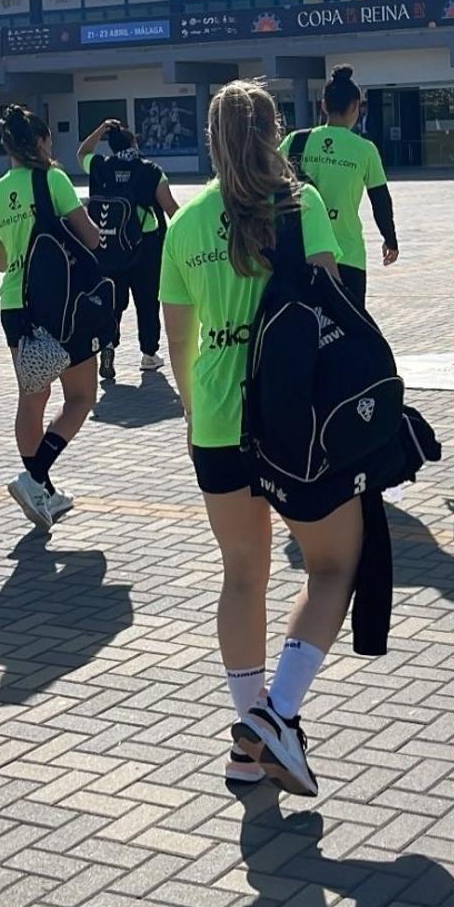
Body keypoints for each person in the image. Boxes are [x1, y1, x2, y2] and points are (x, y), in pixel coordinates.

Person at [161, 79, 360, 797]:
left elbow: (178, 339)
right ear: (277, 132)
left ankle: (247, 747)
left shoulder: (186, 225)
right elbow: (331, 308)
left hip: (217, 419)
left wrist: (192, 416)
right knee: (335, 564)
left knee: (243, 574)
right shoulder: (300, 205)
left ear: (211, 139)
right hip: (294, 418)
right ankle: (276, 716)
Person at [0, 104, 102, 530]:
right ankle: (34, 480)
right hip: (62, 306)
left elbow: (1, 262)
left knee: (33, 398)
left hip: (16, 307)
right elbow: (89, 236)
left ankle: (42, 492)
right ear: (40, 142)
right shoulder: (54, 179)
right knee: (82, 397)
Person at [280, 64, 398, 306]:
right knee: (350, 329)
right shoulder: (365, 150)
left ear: (323, 105)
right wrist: (390, 238)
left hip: (299, 251)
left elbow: (271, 185)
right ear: (355, 107)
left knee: (303, 327)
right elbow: (380, 200)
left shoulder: (296, 141)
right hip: (347, 254)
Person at [78, 119, 180, 382]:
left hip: (110, 247)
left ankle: (109, 345)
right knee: (147, 301)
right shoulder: (151, 171)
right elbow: (170, 208)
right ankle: (148, 354)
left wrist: (99, 130)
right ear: (134, 143)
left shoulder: (101, 167)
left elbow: (82, 154)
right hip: (145, 246)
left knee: (114, 301)